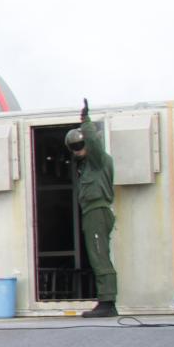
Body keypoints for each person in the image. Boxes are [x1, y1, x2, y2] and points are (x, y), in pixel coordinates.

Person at [69, 99, 117, 317]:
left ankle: (107, 302)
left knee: (99, 255)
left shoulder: (98, 160)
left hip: (98, 211)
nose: (77, 151)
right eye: (74, 148)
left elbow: (93, 143)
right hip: (91, 213)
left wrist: (85, 122)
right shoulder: (88, 166)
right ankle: (105, 300)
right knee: (96, 254)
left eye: (80, 145)